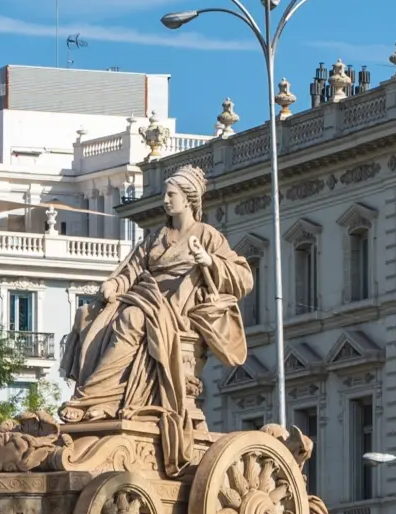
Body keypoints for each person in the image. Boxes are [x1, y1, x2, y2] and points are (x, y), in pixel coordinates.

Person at [59, 166, 253, 472]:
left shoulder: (206, 236)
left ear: (189, 199)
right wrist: (113, 285)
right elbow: (131, 271)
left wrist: (210, 261)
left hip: (178, 312)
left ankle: (94, 398)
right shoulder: (156, 237)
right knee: (88, 316)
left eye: (171, 194)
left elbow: (244, 278)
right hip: (146, 297)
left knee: (132, 318)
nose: (165, 200)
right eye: (165, 193)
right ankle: (103, 400)